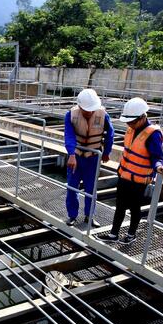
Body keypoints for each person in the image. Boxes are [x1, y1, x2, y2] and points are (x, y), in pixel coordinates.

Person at [105, 97, 163, 244]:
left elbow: (157, 156)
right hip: (124, 175)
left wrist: (159, 166)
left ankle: (131, 235)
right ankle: (113, 234)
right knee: (119, 205)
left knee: (135, 208)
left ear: (142, 117)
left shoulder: (153, 134)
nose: (129, 124)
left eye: (131, 121)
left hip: (139, 180)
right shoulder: (131, 129)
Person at [64, 88, 114, 226]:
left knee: (91, 189)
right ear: (79, 106)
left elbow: (110, 134)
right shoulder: (71, 115)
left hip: (93, 157)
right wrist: (71, 154)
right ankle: (72, 215)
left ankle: (89, 216)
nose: (90, 112)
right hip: (77, 157)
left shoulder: (103, 114)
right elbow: (69, 136)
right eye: (86, 109)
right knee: (72, 187)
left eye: (92, 109)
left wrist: (106, 152)